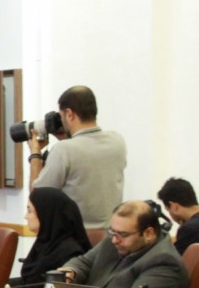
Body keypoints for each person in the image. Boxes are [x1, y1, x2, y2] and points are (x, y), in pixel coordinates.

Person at [52, 200, 189, 288]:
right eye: (112, 232)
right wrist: (70, 272)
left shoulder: (165, 262)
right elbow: (84, 262)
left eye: (123, 234)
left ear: (148, 233)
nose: (114, 240)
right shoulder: (114, 240)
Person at [25, 85, 127, 229]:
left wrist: (35, 154)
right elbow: (86, 154)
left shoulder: (63, 150)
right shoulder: (117, 141)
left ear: (69, 114)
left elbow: (37, 197)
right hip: (111, 235)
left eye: (61, 117)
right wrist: (67, 138)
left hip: (75, 236)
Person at [12, 187, 92, 288]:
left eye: (29, 211)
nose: (25, 216)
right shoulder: (45, 241)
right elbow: (27, 282)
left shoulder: (70, 251)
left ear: (45, 213)